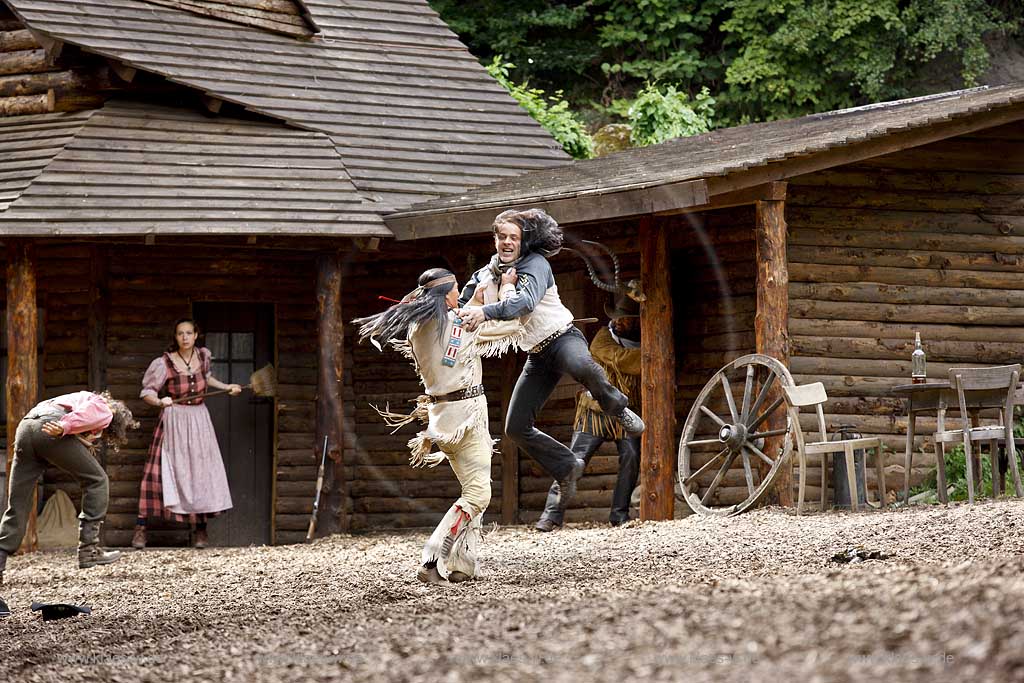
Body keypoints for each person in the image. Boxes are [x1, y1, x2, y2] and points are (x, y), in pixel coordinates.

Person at [457, 208, 645, 517]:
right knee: (515, 427)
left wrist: (485, 313)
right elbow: (463, 302)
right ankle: (567, 465)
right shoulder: (487, 273)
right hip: (537, 355)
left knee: (583, 366)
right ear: (494, 239)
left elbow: (523, 303)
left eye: (513, 237)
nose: (506, 242)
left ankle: (617, 406)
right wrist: (459, 310)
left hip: (562, 338)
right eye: (502, 237)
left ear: (524, 241)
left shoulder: (536, 264)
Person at [355, 267, 521, 584]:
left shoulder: (420, 326)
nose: (460, 293)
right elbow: (509, 322)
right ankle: (431, 559)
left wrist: (479, 299)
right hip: (467, 416)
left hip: (443, 417)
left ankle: (463, 565)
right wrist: (506, 290)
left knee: (474, 487)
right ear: (447, 295)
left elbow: (460, 327)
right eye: (457, 289)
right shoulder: (457, 323)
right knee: (478, 496)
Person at [0, 391, 137, 584]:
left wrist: (70, 431)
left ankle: (0, 558)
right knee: (97, 480)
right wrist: (65, 426)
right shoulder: (105, 409)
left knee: (18, 502)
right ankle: (88, 550)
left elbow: (56, 423)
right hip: (50, 428)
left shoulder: (68, 399)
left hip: (26, 427)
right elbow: (86, 415)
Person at [133, 318, 241, 550]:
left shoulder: (203, 357)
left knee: (199, 472)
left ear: (196, 335)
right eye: (180, 333)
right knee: (159, 473)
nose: (185, 337)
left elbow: (207, 378)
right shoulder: (164, 363)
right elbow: (147, 392)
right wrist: (160, 401)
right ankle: (141, 529)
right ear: (176, 337)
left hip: (199, 419)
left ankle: (200, 532)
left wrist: (227, 387)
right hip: (174, 420)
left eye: (189, 333)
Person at [536, 294, 642, 531]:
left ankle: (619, 515)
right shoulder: (602, 339)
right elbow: (623, 360)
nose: (619, 322)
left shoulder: (640, 341)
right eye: (618, 318)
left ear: (635, 321)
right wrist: (649, 354)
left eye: (625, 319)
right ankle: (551, 515)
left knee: (632, 458)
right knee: (574, 461)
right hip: (594, 411)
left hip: (624, 412)